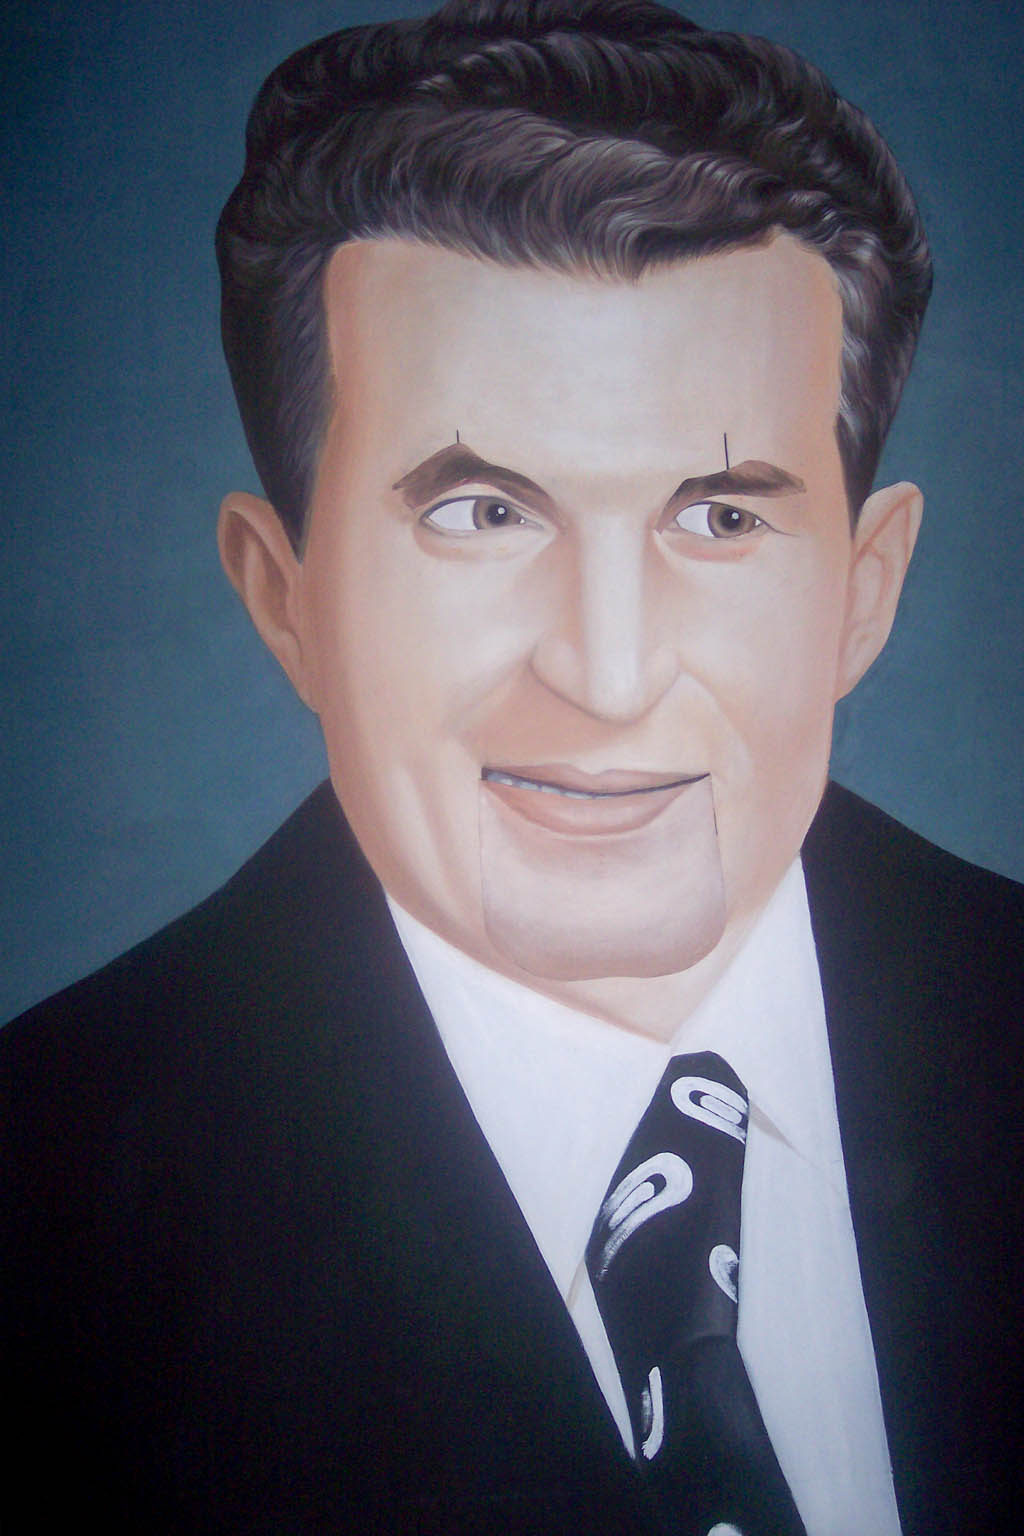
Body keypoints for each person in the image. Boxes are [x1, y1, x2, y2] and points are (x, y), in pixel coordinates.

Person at [3, 2, 1021, 1532]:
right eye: (482, 514)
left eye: (721, 517)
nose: (606, 676)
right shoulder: (43, 1223)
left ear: (864, 593)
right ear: (285, 599)